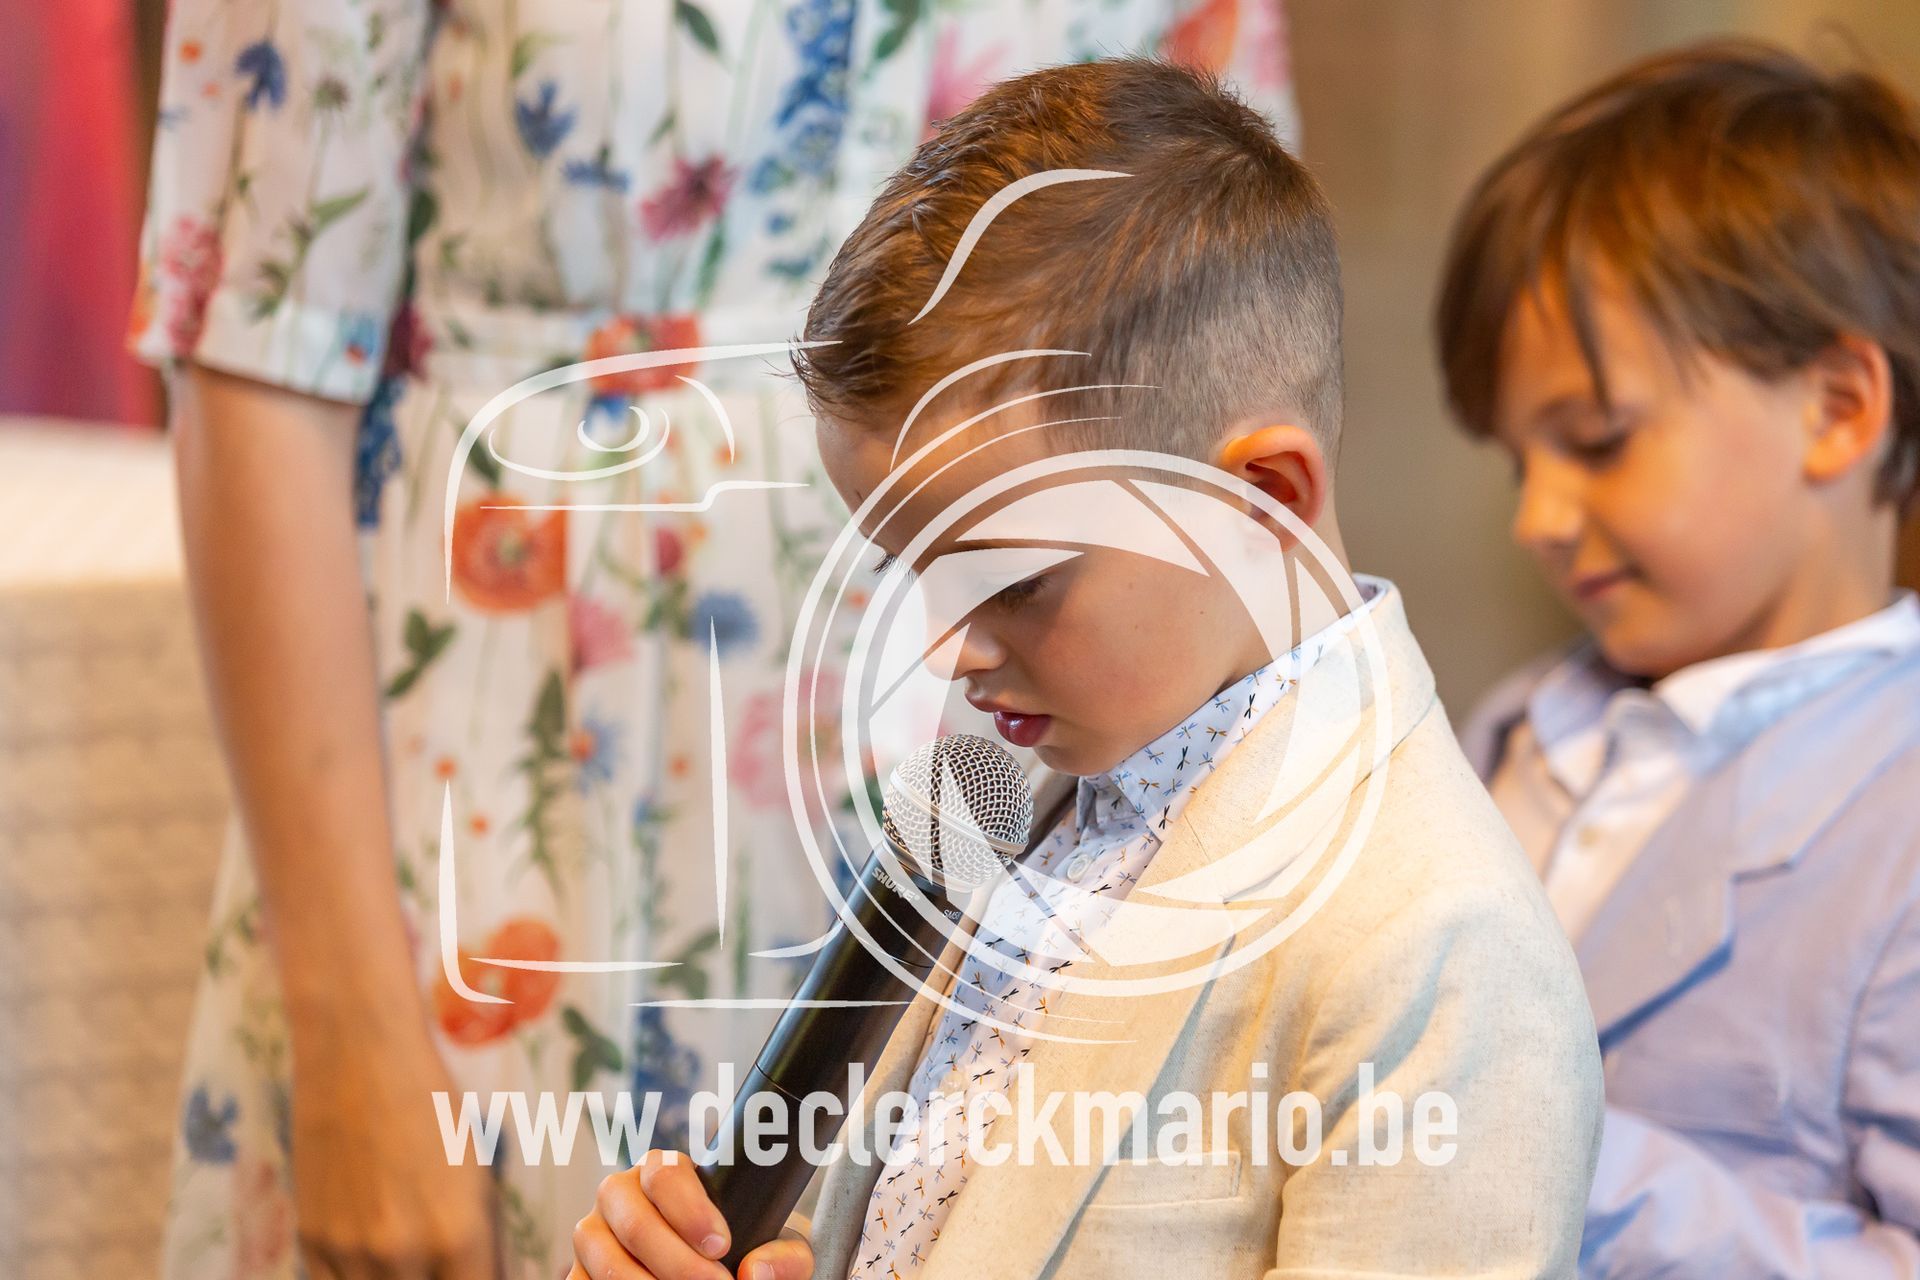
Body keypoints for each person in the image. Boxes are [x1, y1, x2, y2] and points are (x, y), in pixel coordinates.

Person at [128, 3, 1299, 1278]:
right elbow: (261, 326)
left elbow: (1236, 322)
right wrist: (349, 1022)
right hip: (517, 765)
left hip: (987, 779)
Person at [569, 55, 1603, 1280]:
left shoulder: (1440, 949)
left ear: (1259, 501)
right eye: (913, 574)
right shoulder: (985, 806)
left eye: (1012, 580)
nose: (950, 648)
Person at [1436, 40, 1920, 1276]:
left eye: (1598, 441)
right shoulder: (1513, 728)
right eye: (1519, 460)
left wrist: (1560, 1158)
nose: (1537, 517)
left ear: (1837, 410)